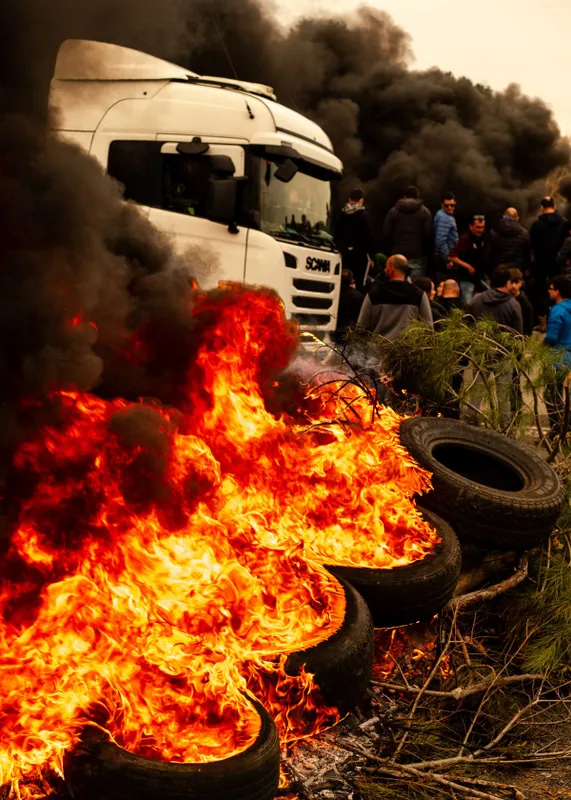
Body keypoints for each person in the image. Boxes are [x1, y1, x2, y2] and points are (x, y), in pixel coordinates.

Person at [465, 268, 523, 430]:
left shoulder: (476, 300)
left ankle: (470, 423)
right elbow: (518, 335)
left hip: (481, 351)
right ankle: (505, 427)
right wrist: (516, 355)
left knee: (476, 391)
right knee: (503, 395)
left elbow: (468, 324)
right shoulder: (513, 305)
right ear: (508, 283)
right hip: (503, 355)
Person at [357, 254, 433, 339]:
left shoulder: (373, 294)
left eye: (386, 267)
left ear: (392, 268)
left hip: (377, 350)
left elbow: (362, 327)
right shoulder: (419, 295)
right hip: (407, 350)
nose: (385, 270)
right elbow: (428, 328)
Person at [530, 197, 569, 330]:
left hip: (541, 263)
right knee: (560, 291)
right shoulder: (564, 224)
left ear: (542, 207)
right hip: (558, 264)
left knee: (540, 291)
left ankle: (543, 322)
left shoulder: (537, 225)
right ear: (554, 206)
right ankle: (561, 321)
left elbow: (533, 245)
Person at [381, 186, 433, 281]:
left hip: (397, 256)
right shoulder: (425, 212)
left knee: (396, 287)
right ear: (418, 197)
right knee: (416, 289)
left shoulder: (394, 211)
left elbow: (386, 233)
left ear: (404, 197)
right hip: (417, 256)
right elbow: (429, 234)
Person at [544, 276, 571, 438]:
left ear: (558, 291)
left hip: (557, 358)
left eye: (551, 288)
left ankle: (557, 429)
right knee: (566, 395)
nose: (549, 291)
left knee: (552, 395)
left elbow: (552, 337)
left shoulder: (557, 310)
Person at [335, 188, 377, 289]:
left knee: (343, 280)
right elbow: (369, 236)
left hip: (344, 253)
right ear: (361, 200)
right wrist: (372, 256)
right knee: (361, 282)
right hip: (360, 254)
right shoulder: (364, 215)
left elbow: (337, 233)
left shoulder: (341, 214)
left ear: (349, 199)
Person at [448, 214, 492, 304]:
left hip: (479, 277)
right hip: (466, 279)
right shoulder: (466, 239)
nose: (480, 230)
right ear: (471, 226)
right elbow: (452, 256)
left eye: (482, 227)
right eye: (477, 227)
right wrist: (468, 266)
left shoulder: (482, 238)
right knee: (467, 304)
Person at [332, 269, 364, 344]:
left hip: (334, 331)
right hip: (349, 332)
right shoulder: (359, 296)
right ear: (351, 281)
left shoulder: (333, 293)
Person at [433, 192, 459, 278]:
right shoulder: (444, 218)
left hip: (445, 257)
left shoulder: (444, 215)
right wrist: (448, 260)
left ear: (455, 203)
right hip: (444, 259)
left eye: (452, 205)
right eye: (446, 205)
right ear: (442, 204)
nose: (449, 207)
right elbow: (440, 241)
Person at [508, 268, 534, 337]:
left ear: (521, 283)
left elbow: (528, 328)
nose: (513, 286)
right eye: (511, 282)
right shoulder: (502, 300)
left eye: (516, 282)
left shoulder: (525, 304)